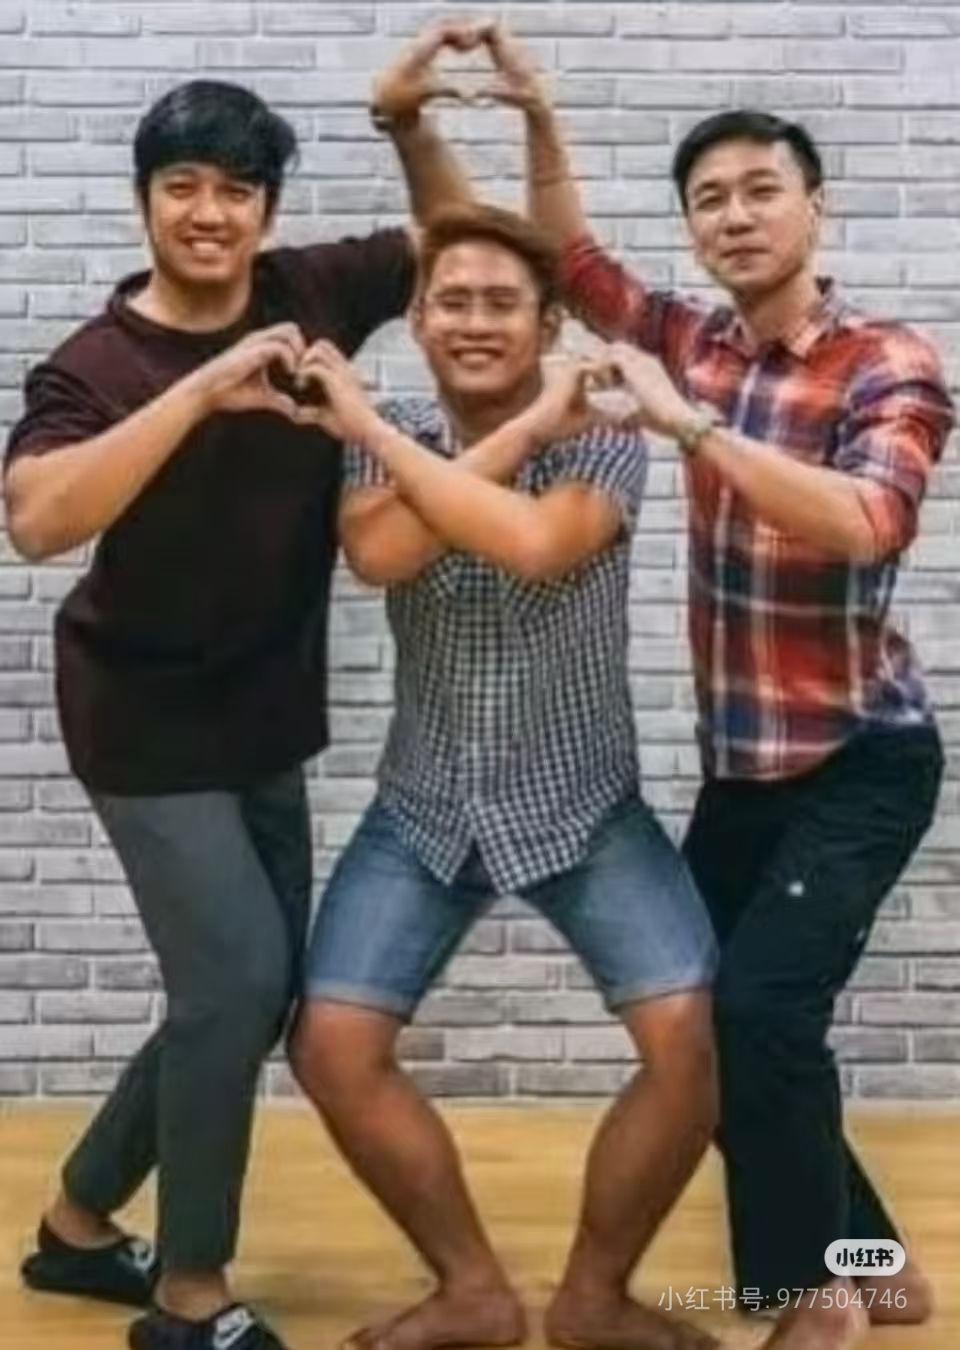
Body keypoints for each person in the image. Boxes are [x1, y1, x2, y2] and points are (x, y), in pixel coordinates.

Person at [2, 28, 488, 1345]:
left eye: (235, 189)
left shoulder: (309, 287)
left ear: (266, 208)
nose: (209, 212)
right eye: (184, 186)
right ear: (146, 201)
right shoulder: (97, 363)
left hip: (268, 711)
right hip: (141, 721)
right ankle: (189, 1293)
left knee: (251, 995)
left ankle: (78, 1225)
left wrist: (408, 130)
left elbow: (465, 248)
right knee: (232, 986)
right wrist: (208, 386)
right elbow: (37, 519)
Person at [472, 29, 954, 1350]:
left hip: (861, 757)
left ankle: (818, 1302)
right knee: (704, 1023)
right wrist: (540, 110)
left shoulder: (886, 359)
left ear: (814, 205)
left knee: (760, 1014)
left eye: (759, 190)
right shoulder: (693, 339)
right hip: (747, 765)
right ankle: (876, 1266)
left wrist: (690, 426)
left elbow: (866, 520)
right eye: (709, 199)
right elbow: (570, 258)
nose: (735, 216)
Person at [287, 202, 720, 1350]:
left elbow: (534, 547)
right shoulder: (392, 431)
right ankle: (472, 1290)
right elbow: (382, 552)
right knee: (331, 1048)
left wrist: (461, 435)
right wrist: (516, 428)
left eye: (501, 303)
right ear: (419, 318)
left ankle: (594, 1296)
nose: (475, 322)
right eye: (453, 302)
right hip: (424, 803)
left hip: (583, 805)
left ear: (546, 322)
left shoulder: (605, 435)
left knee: (692, 1043)